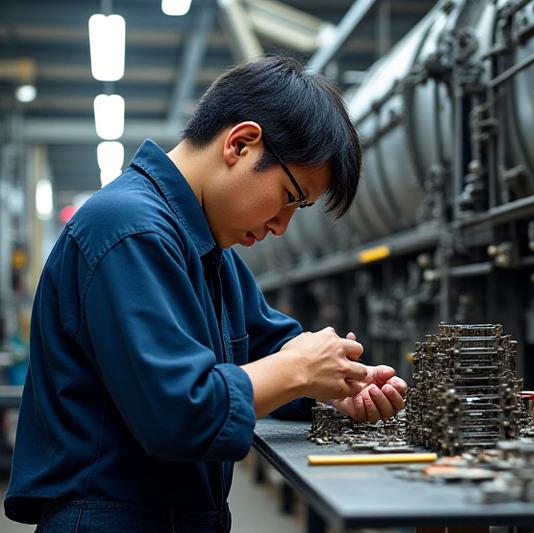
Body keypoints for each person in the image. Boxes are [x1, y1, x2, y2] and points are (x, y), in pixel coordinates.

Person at [4, 56, 407, 532]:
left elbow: (271, 349)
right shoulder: (130, 231)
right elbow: (179, 413)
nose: (281, 226)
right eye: (289, 198)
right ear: (240, 143)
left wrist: (336, 386)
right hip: (112, 519)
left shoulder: (209, 253)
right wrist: (298, 369)